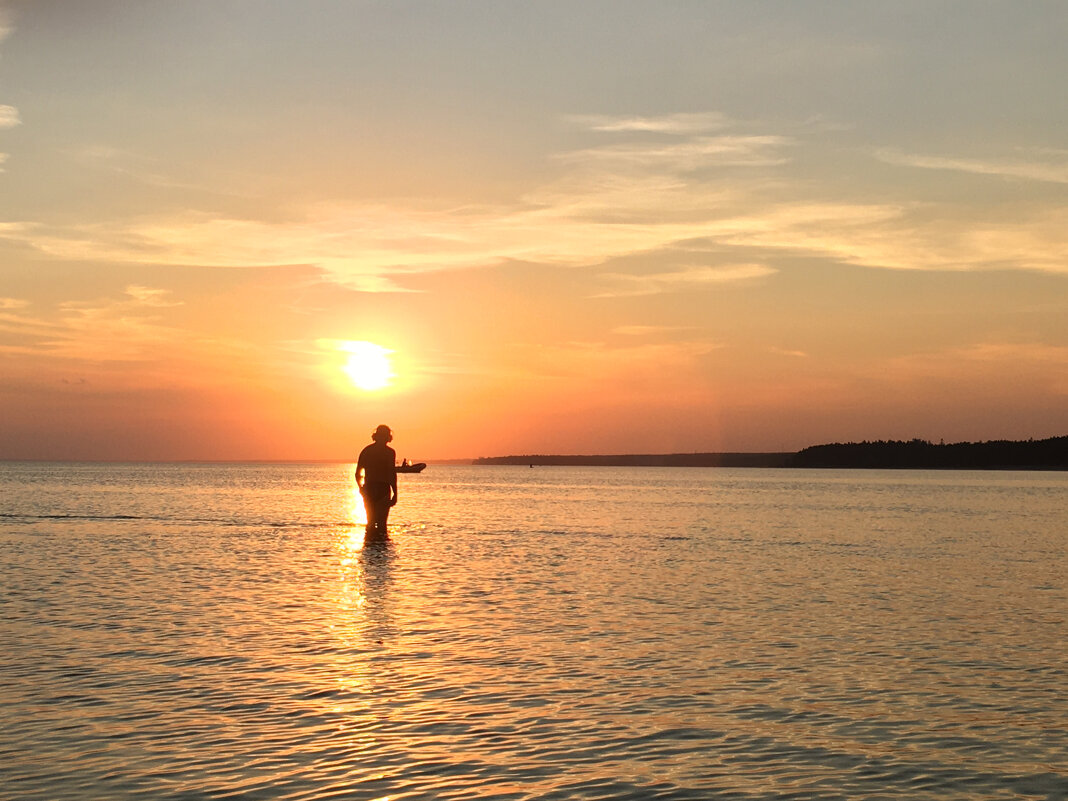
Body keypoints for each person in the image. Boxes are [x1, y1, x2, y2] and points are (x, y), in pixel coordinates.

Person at [356, 425, 398, 535]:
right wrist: (395, 493)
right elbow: (392, 474)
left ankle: (372, 547)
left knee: (371, 523)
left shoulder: (367, 450)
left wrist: (361, 488)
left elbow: (357, 474)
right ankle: (380, 547)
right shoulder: (389, 453)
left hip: (372, 488)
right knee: (380, 525)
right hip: (380, 488)